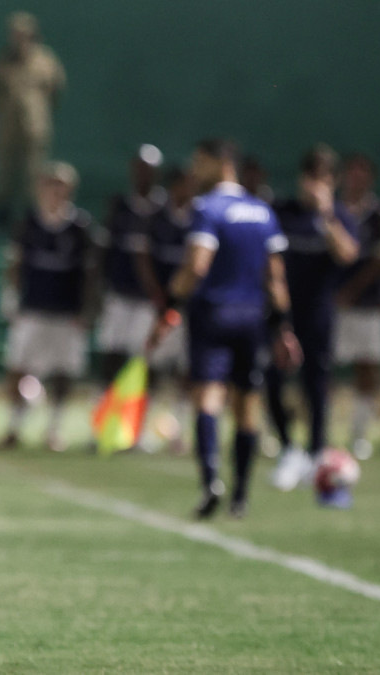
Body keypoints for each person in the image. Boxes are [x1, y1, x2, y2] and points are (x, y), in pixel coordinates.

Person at [147, 138, 301, 520]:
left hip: (213, 314)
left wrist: (170, 306)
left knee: (209, 400)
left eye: (200, 163)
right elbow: (276, 278)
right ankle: (241, 497)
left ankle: (212, 481)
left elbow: (197, 265)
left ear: (220, 164)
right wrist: (283, 328)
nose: (195, 172)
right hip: (253, 318)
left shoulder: (207, 208)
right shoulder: (262, 211)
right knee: (248, 407)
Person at [268, 146, 359, 491]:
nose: (314, 185)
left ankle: (317, 452)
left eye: (322, 178)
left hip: (319, 314)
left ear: (332, 182)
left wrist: (327, 218)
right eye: (310, 177)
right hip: (283, 315)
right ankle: (289, 448)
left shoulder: (337, 215)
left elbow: (348, 254)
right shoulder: (284, 212)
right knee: (272, 380)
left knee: (316, 384)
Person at [1, 161, 95, 452]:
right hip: (33, 308)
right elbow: (15, 263)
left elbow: (90, 272)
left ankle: (54, 427)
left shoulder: (80, 226)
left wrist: (88, 309)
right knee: (18, 368)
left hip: (66, 312)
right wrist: (11, 296)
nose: (55, 191)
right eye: (50, 184)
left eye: (60, 186)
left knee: (64, 372)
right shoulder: (29, 222)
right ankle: (14, 426)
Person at [335, 153, 380, 460]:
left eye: (363, 173)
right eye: (352, 172)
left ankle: (359, 435)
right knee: (322, 368)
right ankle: (317, 434)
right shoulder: (332, 211)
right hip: (334, 305)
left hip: (367, 306)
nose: (356, 178)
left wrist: (353, 290)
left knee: (368, 370)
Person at [95, 145, 167, 422]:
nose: (143, 174)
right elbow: (103, 251)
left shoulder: (162, 209)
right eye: (139, 168)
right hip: (119, 294)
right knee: (111, 357)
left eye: (148, 169)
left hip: (149, 300)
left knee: (145, 364)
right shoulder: (119, 205)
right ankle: (103, 420)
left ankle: (138, 426)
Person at [0, 11, 66, 225]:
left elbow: (56, 87)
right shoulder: (3, 60)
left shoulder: (45, 60)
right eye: (15, 34)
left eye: (24, 34)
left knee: (34, 170)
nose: (19, 38)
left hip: (35, 125)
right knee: (5, 169)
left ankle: (32, 214)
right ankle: (2, 211)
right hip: (8, 125)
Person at [142, 166, 197, 453]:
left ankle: (181, 432)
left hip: (191, 309)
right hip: (162, 306)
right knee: (152, 368)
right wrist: (160, 297)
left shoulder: (201, 217)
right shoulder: (157, 219)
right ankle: (141, 432)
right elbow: (145, 258)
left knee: (186, 372)